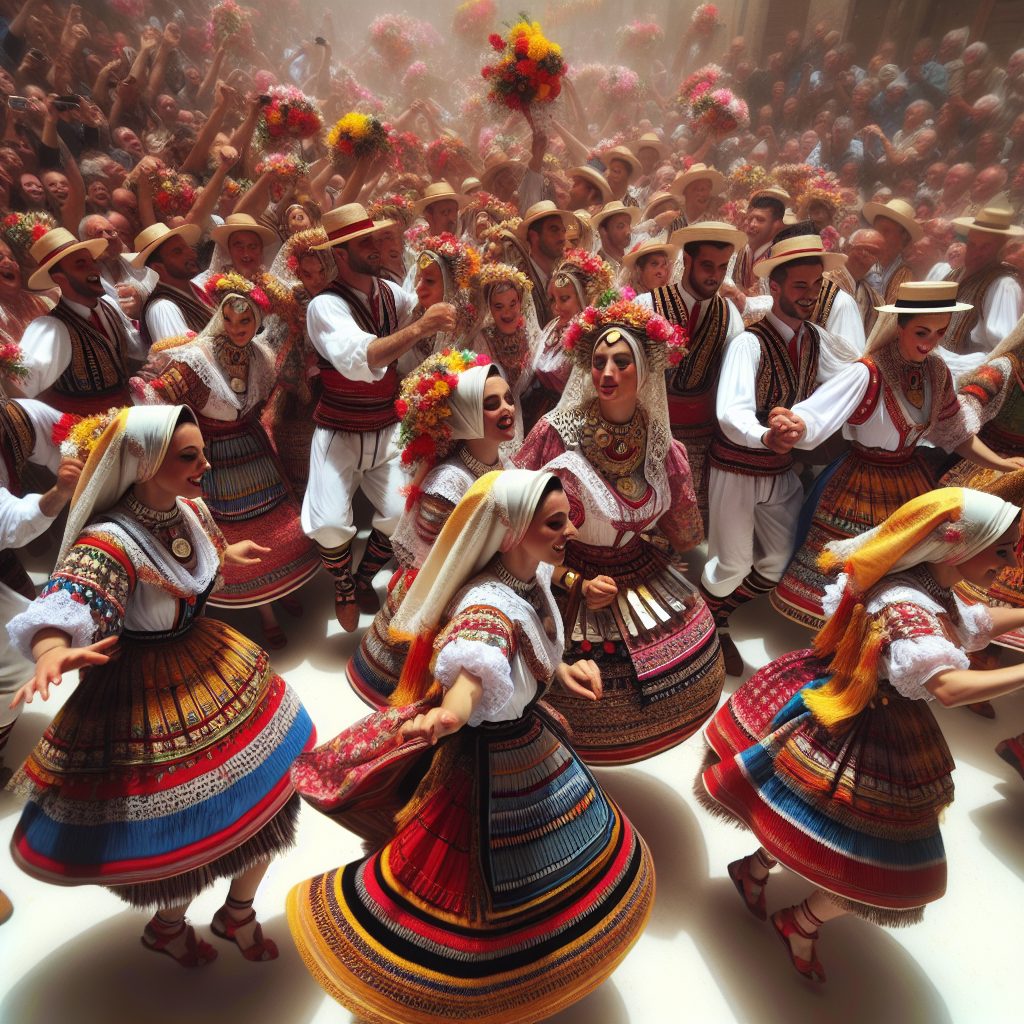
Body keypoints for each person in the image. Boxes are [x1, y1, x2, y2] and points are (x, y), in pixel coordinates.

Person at [287, 469, 654, 1022]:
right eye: (556, 522)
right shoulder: (486, 607)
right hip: (492, 755)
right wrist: (448, 715)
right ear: (511, 531)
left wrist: (562, 665)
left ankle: (531, 967)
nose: (571, 530)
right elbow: (472, 673)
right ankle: (486, 986)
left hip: (528, 740)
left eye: (567, 518)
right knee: (468, 884)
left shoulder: (528, 575)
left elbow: (531, 634)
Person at [6, 404, 315, 967]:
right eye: (189, 456)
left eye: (203, 454)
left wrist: (226, 555)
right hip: (147, 693)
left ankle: (238, 909)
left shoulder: (192, 511)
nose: (205, 465)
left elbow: (193, 566)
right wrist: (52, 650)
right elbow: (69, 597)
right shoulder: (109, 539)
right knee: (181, 832)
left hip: (215, 666)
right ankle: (170, 924)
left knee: (272, 800)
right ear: (145, 463)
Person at [702, 487, 1024, 983]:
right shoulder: (904, 603)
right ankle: (799, 921)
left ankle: (759, 874)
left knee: (814, 821)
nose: (1008, 564)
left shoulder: (928, 583)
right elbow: (951, 687)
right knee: (865, 862)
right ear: (957, 543)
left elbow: (969, 625)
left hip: (874, 719)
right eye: (1001, 550)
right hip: (857, 723)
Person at [515, 297, 725, 764]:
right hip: (563, 572)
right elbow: (512, 516)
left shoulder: (661, 444)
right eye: (598, 362)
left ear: (645, 370)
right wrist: (570, 581)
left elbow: (685, 529)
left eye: (621, 361)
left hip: (640, 568)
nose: (607, 372)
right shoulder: (555, 433)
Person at [769, 282, 1024, 629]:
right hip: (861, 479)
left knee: (904, 566)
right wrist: (795, 425)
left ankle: (885, 632)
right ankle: (837, 637)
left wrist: (999, 463)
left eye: (939, 333)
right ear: (899, 326)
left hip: (911, 480)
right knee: (853, 565)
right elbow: (818, 412)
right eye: (921, 331)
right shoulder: (868, 371)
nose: (930, 341)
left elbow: (956, 432)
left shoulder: (936, 371)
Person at [699, 235, 859, 676]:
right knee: (731, 562)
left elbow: (852, 377)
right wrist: (766, 435)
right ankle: (711, 624)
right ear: (779, 287)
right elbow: (731, 413)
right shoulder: (749, 343)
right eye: (799, 286)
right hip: (737, 466)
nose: (808, 295)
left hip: (781, 468)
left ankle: (714, 613)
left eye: (814, 286)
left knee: (777, 562)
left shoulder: (815, 341)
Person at [131, 279, 320, 646]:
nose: (237, 328)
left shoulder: (260, 356)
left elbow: (265, 394)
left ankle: (282, 589)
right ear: (220, 317)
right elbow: (158, 394)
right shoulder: (199, 358)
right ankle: (265, 610)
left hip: (254, 446)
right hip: (215, 454)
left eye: (245, 322)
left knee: (275, 517)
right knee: (235, 528)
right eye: (231, 320)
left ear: (256, 322)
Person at [301, 203, 456, 631]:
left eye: (378, 238)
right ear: (341, 251)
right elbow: (362, 357)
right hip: (340, 427)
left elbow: (428, 299)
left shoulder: (391, 293)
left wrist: (447, 277)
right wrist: (422, 326)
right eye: (365, 241)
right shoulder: (325, 306)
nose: (377, 247)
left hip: (387, 425)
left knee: (398, 515)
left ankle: (364, 575)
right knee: (330, 523)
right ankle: (342, 585)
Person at [348, 351, 516, 705]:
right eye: (491, 403)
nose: (507, 408)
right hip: (440, 595)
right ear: (467, 414)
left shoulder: (504, 464)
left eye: (508, 399)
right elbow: (428, 562)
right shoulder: (449, 482)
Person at [639, 221, 746, 528]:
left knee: (690, 526)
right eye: (707, 266)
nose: (714, 276)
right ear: (687, 261)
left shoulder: (730, 315)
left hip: (701, 439)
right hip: (648, 434)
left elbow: (732, 381)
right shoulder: (647, 305)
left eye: (722, 267)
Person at [18, 227, 143, 414]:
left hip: (128, 414)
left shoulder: (108, 305)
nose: (94, 269)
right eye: (80, 264)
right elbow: (20, 389)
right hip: (86, 432)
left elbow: (136, 349)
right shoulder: (52, 328)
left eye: (92, 262)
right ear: (59, 278)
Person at [928, 207, 1024, 379]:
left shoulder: (1003, 285)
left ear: (1001, 249)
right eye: (972, 244)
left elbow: (1001, 351)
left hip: (964, 377)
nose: (976, 253)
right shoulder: (952, 273)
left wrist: (950, 362)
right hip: (930, 363)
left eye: (986, 247)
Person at [529, 247, 614, 428]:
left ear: (584, 296)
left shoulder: (590, 335)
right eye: (552, 299)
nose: (557, 307)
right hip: (542, 412)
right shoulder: (552, 327)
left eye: (564, 298)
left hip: (575, 419)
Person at [471, 261, 538, 443]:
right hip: (496, 418)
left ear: (521, 303)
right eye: (498, 306)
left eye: (512, 304)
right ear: (489, 308)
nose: (507, 313)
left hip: (532, 413)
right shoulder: (483, 339)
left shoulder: (530, 333)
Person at [135, 222, 212, 346]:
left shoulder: (198, 289)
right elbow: (183, 359)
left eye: (188, 248)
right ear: (157, 268)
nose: (191, 254)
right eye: (178, 252)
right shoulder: (162, 308)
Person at [864, 198, 923, 306]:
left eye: (886, 231)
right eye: (876, 230)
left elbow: (891, 317)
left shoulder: (905, 276)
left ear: (903, 237)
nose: (878, 236)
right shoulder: (866, 263)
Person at [593, 200, 639, 270]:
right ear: (603, 231)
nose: (628, 232)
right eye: (620, 226)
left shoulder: (633, 264)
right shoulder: (596, 266)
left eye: (629, 225)